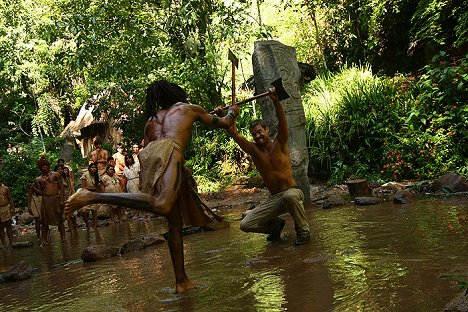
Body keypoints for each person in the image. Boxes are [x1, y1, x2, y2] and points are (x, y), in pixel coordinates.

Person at [65, 79, 238, 293]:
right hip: (170, 151)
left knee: (174, 222)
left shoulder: (151, 120)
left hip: (150, 155)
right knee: (163, 205)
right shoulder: (189, 108)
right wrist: (231, 111)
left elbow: (148, 146)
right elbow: (224, 123)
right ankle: (92, 197)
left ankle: (181, 281)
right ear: (177, 93)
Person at [223, 88, 310, 246]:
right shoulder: (254, 151)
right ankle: (275, 227)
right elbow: (235, 135)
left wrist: (276, 101)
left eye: (259, 132)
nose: (257, 136)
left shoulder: (280, 142)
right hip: (275, 198)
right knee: (245, 224)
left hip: (292, 192)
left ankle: (303, 232)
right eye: (254, 134)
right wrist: (227, 116)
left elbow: (283, 122)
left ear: (267, 130)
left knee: (290, 196)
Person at [32, 157, 66, 245]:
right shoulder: (38, 179)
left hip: (56, 199)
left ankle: (63, 237)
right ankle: (44, 239)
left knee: (59, 219)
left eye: (46, 165)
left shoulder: (55, 175)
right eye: (42, 166)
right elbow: (40, 193)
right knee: (44, 221)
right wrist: (34, 188)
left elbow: (61, 187)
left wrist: (62, 199)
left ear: (49, 166)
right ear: (40, 168)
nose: (45, 167)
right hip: (45, 201)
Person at [78, 162, 101, 231]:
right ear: (89, 168)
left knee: (94, 210)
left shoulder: (97, 175)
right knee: (84, 211)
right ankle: (87, 225)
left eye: (95, 167)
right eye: (92, 167)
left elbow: (98, 186)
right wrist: (93, 188)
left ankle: (95, 225)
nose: (94, 169)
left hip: (94, 195)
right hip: (86, 195)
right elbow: (83, 187)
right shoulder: (85, 175)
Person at [122, 154, 143, 219]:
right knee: (133, 199)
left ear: (132, 158)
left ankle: (141, 213)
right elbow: (125, 178)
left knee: (139, 198)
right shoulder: (125, 168)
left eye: (129, 158)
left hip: (136, 181)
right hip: (129, 183)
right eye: (127, 158)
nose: (128, 159)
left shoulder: (137, 165)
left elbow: (140, 174)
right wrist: (124, 186)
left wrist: (141, 183)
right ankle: (136, 213)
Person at [62, 166, 78, 233]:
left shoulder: (69, 179)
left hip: (70, 197)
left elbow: (71, 189)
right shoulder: (60, 179)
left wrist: (69, 198)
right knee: (68, 216)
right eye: (64, 170)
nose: (65, 172)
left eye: (66, 170)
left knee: (73, 215)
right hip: (63, 198)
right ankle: (71, 229)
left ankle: (75, 229)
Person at [0, 181, 15, 247]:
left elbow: (10, 198)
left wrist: (13, 208)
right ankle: (3, 243)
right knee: (0, 227)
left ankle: (11, 242)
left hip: (6, 208)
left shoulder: (5, 188)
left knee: (8, 226)